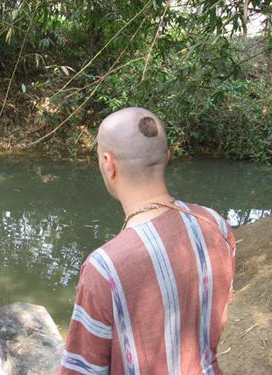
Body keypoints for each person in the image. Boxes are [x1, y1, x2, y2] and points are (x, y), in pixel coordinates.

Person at [59, 107, 235, 375]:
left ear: (108, 163)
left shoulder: (105, 268)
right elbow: (218, 320)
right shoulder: (216, 225)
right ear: (167, 156)